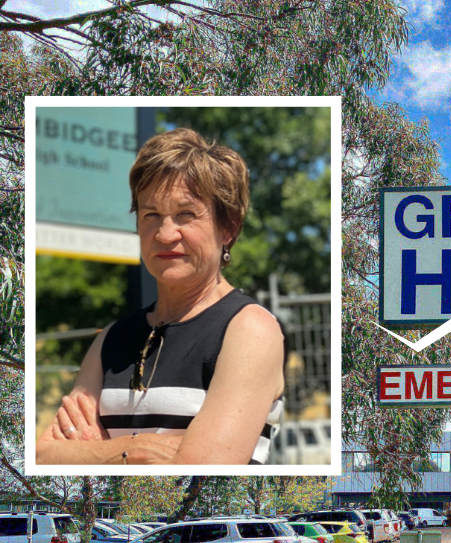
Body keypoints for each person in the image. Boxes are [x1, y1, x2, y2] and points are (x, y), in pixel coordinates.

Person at [36, 128, 285, 465]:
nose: (166, 234)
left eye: (187, 214)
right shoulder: (110, 340)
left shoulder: (248, 330)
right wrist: (131, 452)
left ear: (229, 228)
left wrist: (86, 453)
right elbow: (43, 454)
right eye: (150, 214)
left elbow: (202, 468)